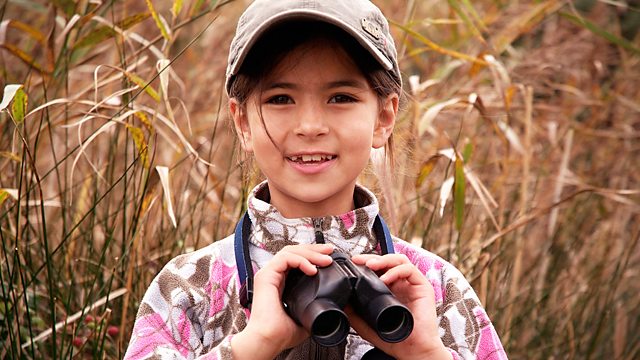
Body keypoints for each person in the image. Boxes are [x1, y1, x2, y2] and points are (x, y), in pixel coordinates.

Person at [124, 0, 508, 359]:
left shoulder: (434, 288)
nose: (310, 126)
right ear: (242, 122)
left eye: (340, 97)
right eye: (279, 99)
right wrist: (249, 347)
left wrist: (426, 354)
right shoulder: (190, 287)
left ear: (384, 118)